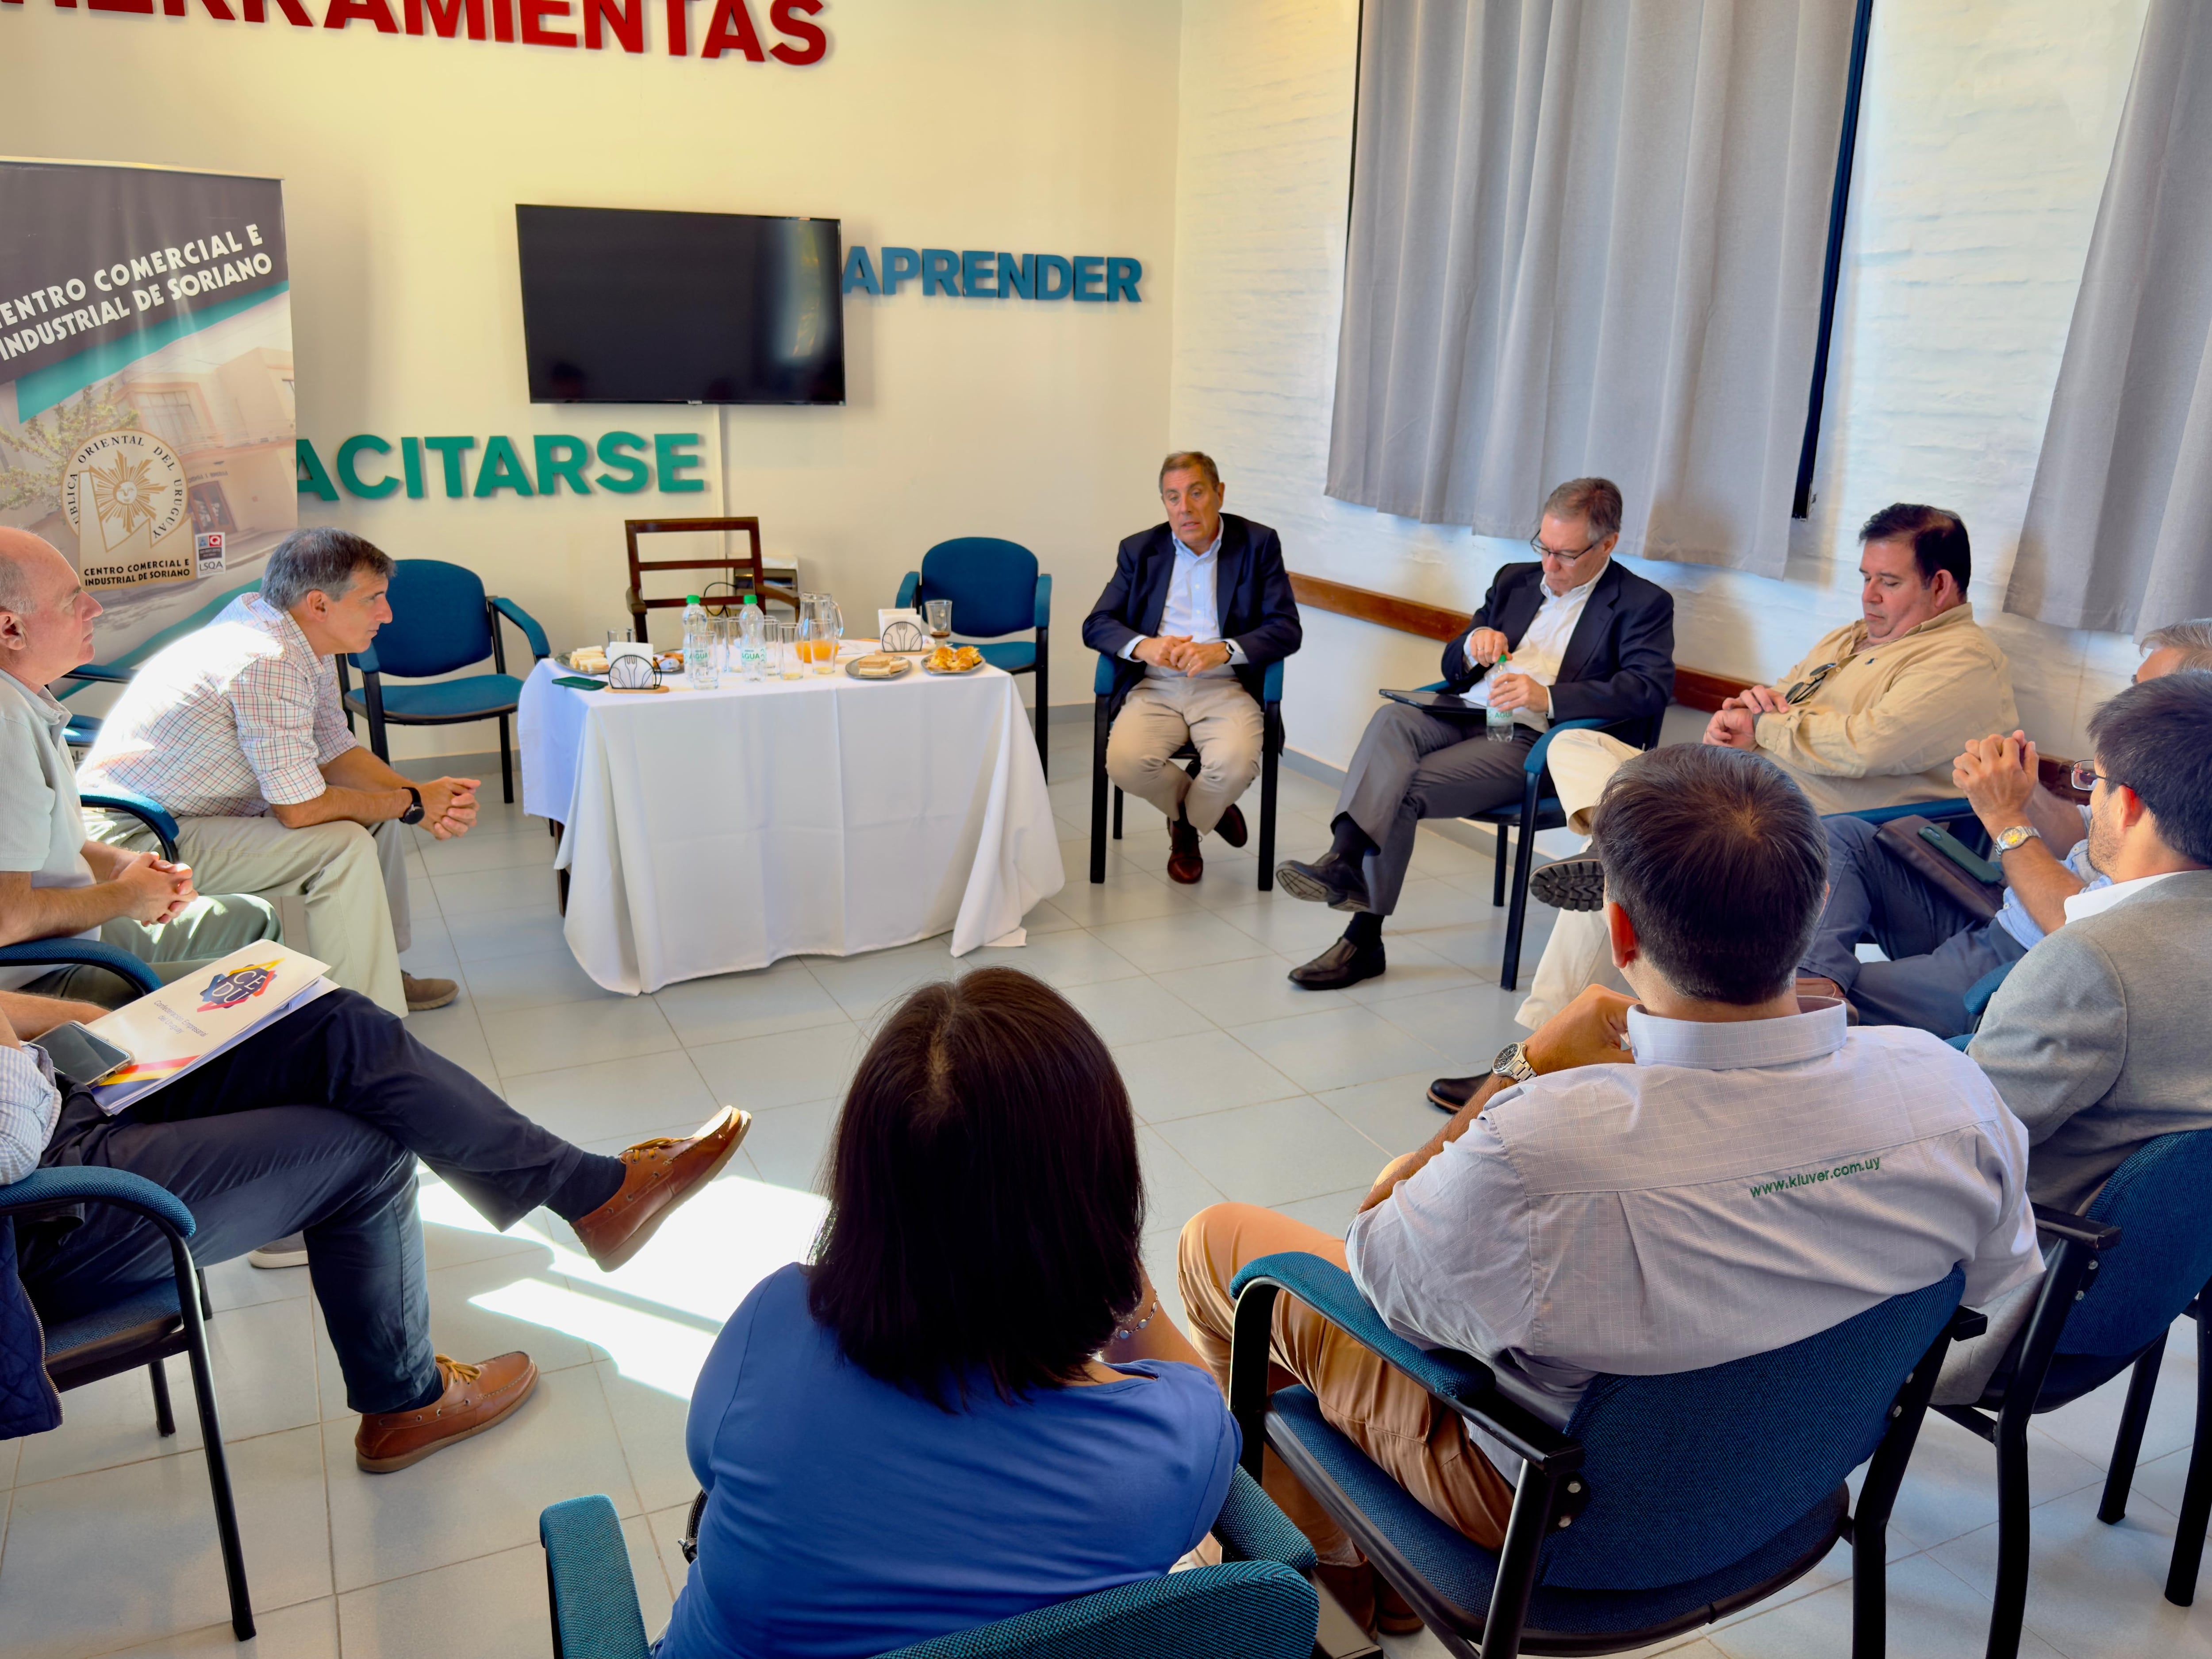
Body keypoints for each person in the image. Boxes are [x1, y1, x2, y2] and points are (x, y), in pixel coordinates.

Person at [1174, 745, 2039, 1613]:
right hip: (1791, 1481)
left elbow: (1378, 1270)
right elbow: (1995, 1291)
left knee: (1222, 1247)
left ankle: (1335, 1578)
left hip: (1560, 1524)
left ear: (1617, 935)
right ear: (1815, 903)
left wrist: (1522, 1066)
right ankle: (1374, 1572)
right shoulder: (1952, 1091)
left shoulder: (1537, 1148)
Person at [661, 968, 1236, 1659]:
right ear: (1098, 1199)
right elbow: (1209, 1415)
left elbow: (708, 1463)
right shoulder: (1166, 1451)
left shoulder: (770, 1325)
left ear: (864, 1190)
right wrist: (1123, 1289)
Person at [0, 979, 749, 1469]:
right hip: (39, 1204)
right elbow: (8, 1143)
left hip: (59, 1098)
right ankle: (406, 1401)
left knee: (335, 1026)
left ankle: (593, 1193)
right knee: (367, 1148)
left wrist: (81, 1026)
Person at [1461, 502, 2019, 1097]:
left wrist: (1770, 730)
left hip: (1817, 832)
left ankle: (1534, 1061)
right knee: (1573, 744)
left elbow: (1867, 745)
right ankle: (1620, 844)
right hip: (1744, 798)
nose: (1869, 598)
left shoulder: (1962, 660)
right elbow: (1773, 700)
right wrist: (1737, 720)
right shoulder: (1851, 640)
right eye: (1864, 579)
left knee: (1626, 873)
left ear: (1940, 584)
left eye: (1888, 582)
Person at [1273, 477, 1674, 989]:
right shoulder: (1514, 579)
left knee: (1400, 790)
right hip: (1464, 713)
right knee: (1393, 717)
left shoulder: (1642, 603)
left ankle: (1362, 935)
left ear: (1608, 544)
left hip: (1531, 740)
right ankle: (1343, 857)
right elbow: (1452, 661)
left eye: (1565, 555)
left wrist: (1546, 697)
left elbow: (1646, 689)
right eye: (1543, 548)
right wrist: (1470, 646)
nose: (1548, 566)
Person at [1934, 668, 2212, 1403]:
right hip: (2153, 1282)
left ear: (2127, 801)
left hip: (2024, 1301)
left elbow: (1958, 1150)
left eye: (2094, 779)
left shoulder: (2095, 960)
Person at [77, 527, 484, 1018]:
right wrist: (412, 801)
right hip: (136, 838)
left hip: (192, 815)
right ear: (319, 604)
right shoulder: (265, 658)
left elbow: (336, 750)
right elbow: (300, 808)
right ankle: (367, 1021)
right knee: (342, 846)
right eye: (373, 599)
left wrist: (418, 793)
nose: (388, 614)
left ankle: (380, 970)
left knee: (378, 820)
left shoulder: (292, 634)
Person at [1796, 622, 2212, 1035]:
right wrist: (2020, 790)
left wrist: (2005, 818)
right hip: (2006, 911)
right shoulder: (2156, 783)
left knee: (1835, 998)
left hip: (2027, 960)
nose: (2124, 702)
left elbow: (2087, 932)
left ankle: (1797, 1007)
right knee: (1846, 840)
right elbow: (2083, 833)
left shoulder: (2182, 822)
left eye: (2144, 692)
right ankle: (1811, 983)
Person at [0, 528, 281, 1006]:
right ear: (10, 629)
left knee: (255, 918)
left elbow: (38, 849)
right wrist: (129, 896)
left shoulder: (24, 699)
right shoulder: (5, 723)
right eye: (73, 602)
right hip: (33, 979)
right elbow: (9, 916)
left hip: (67, 936)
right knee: (269, 992)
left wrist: (123, 865)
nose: (95, 609)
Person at [1084, 452, 1302, 885]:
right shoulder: (1139, 550)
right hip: (1155, 685)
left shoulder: (1257, 544)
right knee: (1125, 763)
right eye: (1172, 497)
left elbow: (1285, 628)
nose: (1184, 507)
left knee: (1235, 764)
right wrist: (1145, 645)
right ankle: (1206, 809)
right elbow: (1097, 623)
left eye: (1196, 493)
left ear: (1219, 493)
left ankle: (1183, 827)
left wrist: (1223, 650)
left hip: (1225, 686)